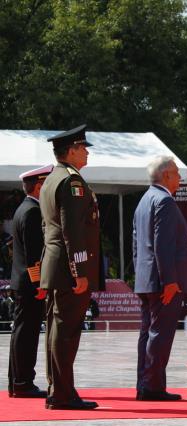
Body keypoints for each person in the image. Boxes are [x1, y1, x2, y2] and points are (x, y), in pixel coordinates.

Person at [40, 125, 101, 410]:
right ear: (71, 151)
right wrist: (79, 272)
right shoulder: (72, 182)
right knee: (66, 331)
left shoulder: (52, 178)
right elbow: (72, 231)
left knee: (56, 329)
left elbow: (49, 228)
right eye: (83, 147)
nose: (87, 152)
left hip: (55, 265)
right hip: (68, 269)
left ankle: (57, 388)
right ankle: (63, 394)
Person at [133, 156, 187, 401]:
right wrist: (169, 281)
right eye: (177, 173)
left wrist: (140, 276)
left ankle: (144, 383)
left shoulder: (144, 200)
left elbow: (137, 246)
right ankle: (152, 387)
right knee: (160, 333)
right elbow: (163, 245)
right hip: (162, 281)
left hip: (147, 279)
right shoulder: (165, 201)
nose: (180, 177)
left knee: (148, 332)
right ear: (166, 175)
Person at [8, 165, 53, 398]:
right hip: (30, 284)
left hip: (21, 282)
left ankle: (16, 381)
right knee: (27, 334)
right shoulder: (33, 212)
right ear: (39, 186)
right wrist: (40, 285)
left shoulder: (23, 208)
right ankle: (24, 382)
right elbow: (35, 254)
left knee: (20, 333)